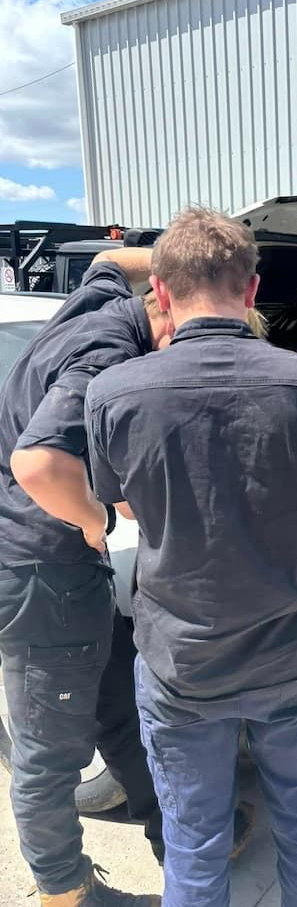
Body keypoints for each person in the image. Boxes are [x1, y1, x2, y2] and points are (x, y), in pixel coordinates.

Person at [85, 208, 297, 907]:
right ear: (252, 289)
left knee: (194, 839)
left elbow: (122, 504)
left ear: (161, 292)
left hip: (182, 661)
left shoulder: (113, 392)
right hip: (291, 653)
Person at [1, 250, 168, 905]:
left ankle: (172, 836)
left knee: (120, 706)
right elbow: (39, 463)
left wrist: (187, 259)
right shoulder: (110, 352)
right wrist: (95, 516)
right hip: (42, 569)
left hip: (65, 574)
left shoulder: (98, 299)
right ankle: (65, 890)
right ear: (165, 310)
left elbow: (105, 257)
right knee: (49, 755)